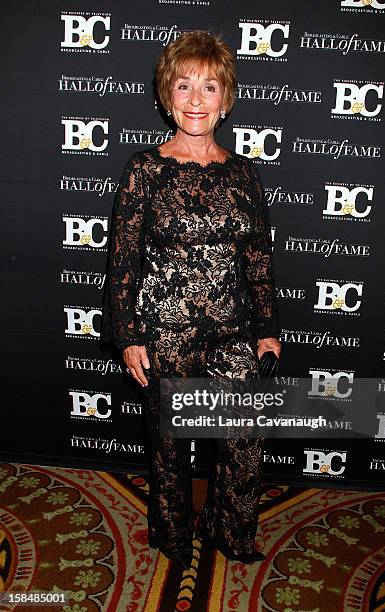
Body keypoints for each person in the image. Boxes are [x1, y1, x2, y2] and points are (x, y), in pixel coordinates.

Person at [101, 30, 281, 570]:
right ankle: (174, 534)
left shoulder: (245, 173)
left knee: (245, 435)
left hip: (234, 329)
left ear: (225, 100)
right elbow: (123, 261)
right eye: (184, 86)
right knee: (170, 447)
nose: (197, 99)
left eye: (209, 87)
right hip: (167, 331)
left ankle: (232, 529)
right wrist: (129, 335)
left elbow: (259, 259)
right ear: (166, 95)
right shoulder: (145, 170)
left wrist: (268, 327)